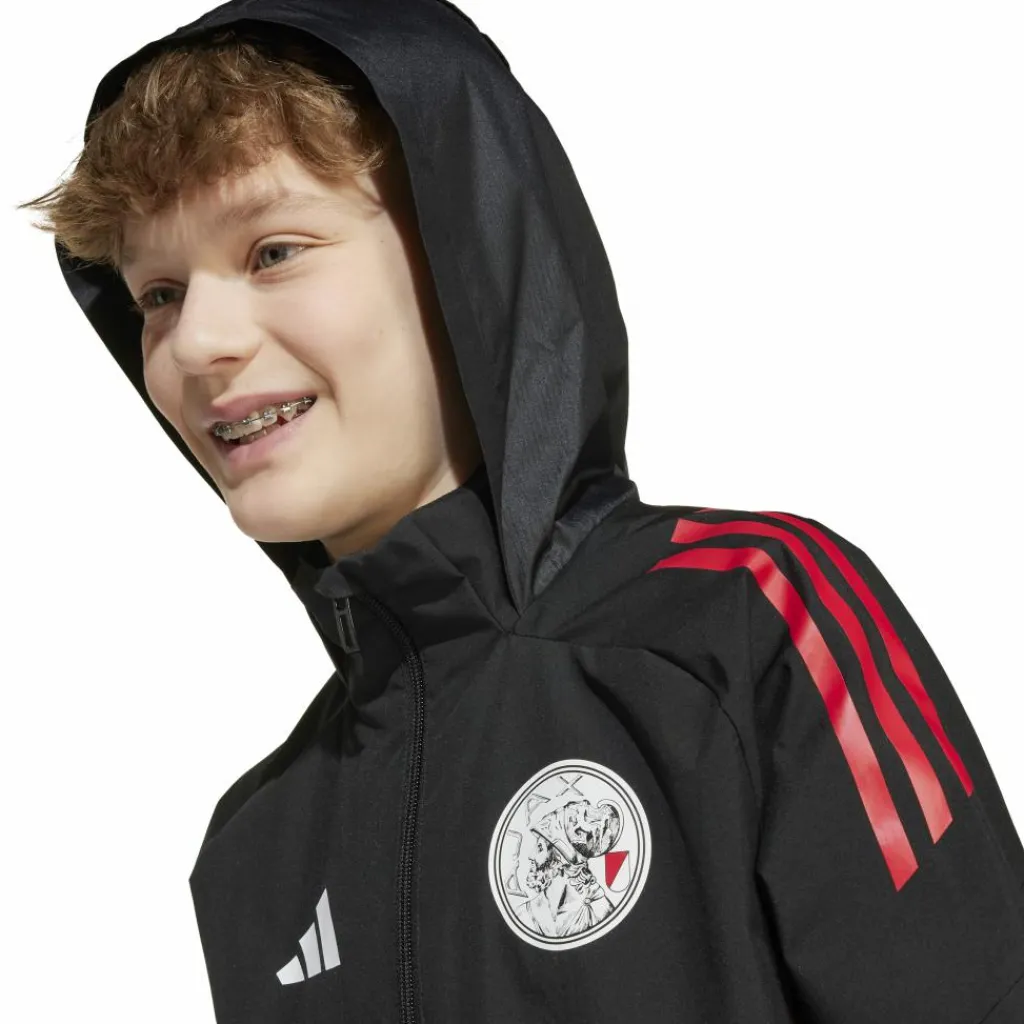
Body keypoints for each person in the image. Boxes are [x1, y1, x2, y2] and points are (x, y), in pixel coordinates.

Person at [17, 1, 1024, 1021]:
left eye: (273, 251)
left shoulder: (747, 617)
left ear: (472, 251)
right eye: (158, 295)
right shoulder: (257, 855)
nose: (194, 344)